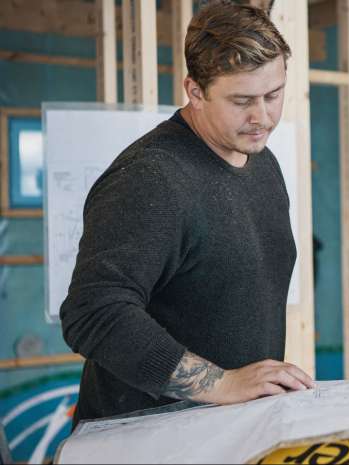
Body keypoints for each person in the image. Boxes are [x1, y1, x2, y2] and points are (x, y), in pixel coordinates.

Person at [60, 1, 314, 426]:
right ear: (195, 91)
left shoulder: (261, 161)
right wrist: (221, 383)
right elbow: (93, 311)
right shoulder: (151, 177)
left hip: (227, 432)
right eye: (242, 100)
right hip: (142, 438)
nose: (262, 117)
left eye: (273, 95)